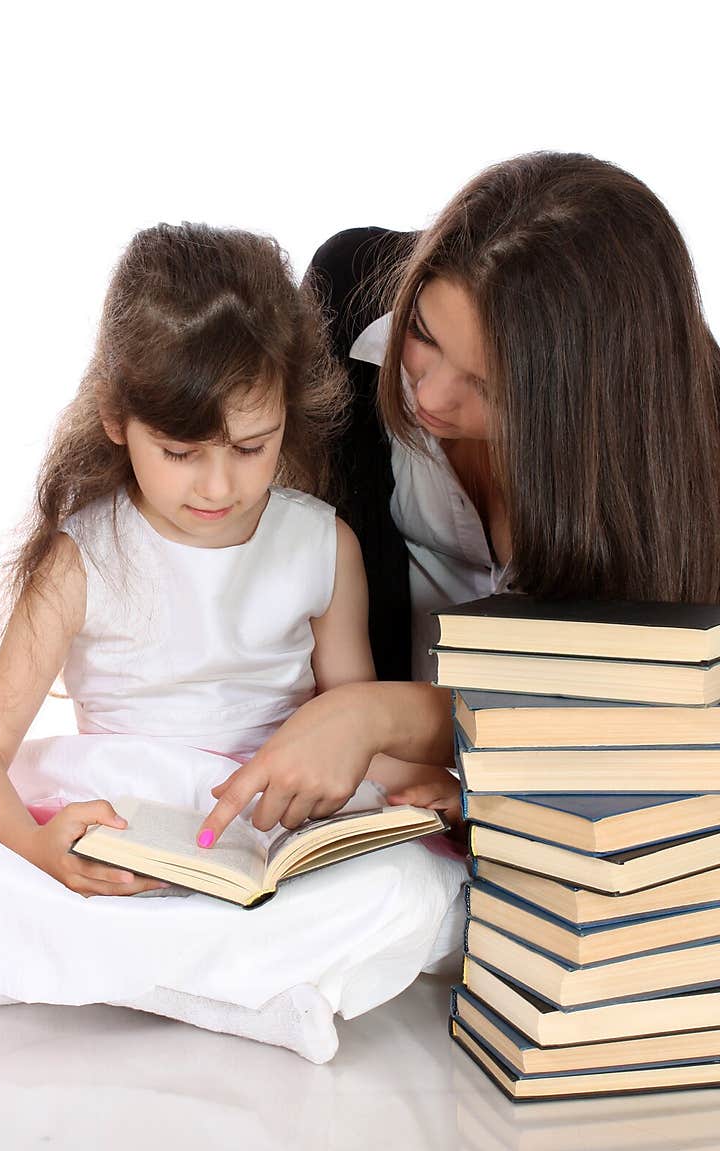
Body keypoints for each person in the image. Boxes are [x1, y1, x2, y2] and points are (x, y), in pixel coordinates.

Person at [0, 222, 466, 1064]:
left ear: (290, 413)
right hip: (123, 812)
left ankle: (79, 970)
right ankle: (240, 991)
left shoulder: (323, 546)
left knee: (417, 886)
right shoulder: (79, 556)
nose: (219, 485)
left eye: (252, 447)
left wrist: (423, 784)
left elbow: (353, 728)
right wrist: (38, 850)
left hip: (258, 823)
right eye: (180, 452)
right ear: (115, 416)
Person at [199, 150, 720, 849]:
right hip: (366, 805)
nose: (432, 396)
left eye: (488, 385)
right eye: (422, 334)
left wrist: (389, 718)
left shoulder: (687, 457)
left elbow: (644, 721)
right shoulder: (349, 296)